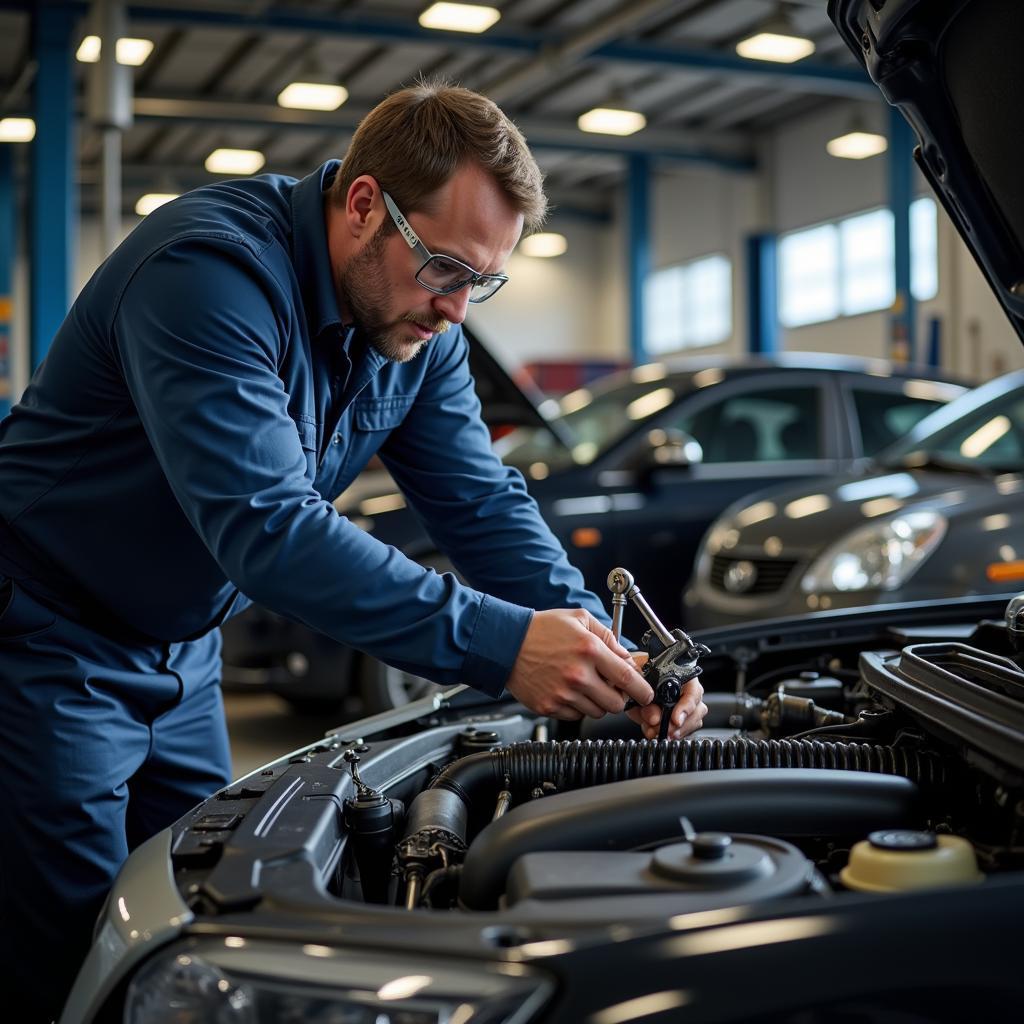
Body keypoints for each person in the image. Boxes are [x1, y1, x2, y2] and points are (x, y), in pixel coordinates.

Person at [0, 79, 707, 1020]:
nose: (458, 310)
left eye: (481, 282)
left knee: (193, 925)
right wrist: (504, 648)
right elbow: (270, 529)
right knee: (74, 959)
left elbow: (480, 500)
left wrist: (596, 640)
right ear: (365, 203)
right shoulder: (206, 273)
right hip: (49, 641)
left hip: (186, 652)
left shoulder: (414, 330)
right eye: (447, 270)